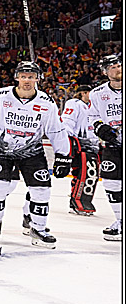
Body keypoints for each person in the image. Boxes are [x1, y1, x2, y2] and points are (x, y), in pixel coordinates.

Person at [0, 60, 71, 248]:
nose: (27, 81)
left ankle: (39, 228)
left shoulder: (46, 103)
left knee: (42, 189)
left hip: (32, 151)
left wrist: (63, 155)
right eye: (23, 76)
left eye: (31, 77)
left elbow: (56, 131)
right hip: (1, 149)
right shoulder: (0, 96)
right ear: (17, 78)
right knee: (0, 186)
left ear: (38, 79)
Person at [83, 52, 122, 241]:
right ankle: (121, 221)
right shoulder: (98, 93)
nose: (118, 69)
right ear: (106, 71)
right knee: (110, 182)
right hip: (113, 144)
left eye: (120, 65)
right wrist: (100, 127)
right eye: (113, 67)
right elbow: (92, 116)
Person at [62, 83, 98, 215]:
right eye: (90, 92)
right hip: (80, 145)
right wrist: (71, 139)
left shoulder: (92, 106)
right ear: (83, 93)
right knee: (81, 174)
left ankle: (83, 200)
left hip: (92, 146)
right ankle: (78, 201)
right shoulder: (74, 103)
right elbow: (67, 121)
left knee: (91, 174)